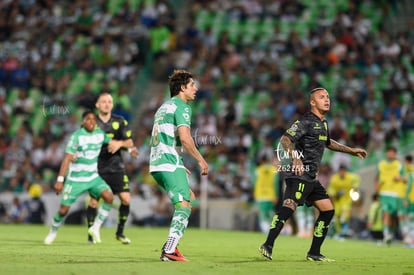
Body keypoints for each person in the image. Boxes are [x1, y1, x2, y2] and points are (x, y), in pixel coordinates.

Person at [259, 87, 367, 262]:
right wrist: (295, 158)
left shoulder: (323, 123)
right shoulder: (305, 121)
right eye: (321, 97)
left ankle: (314, 253)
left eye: (328, 97)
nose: (327, 99)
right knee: (289, 206)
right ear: (312, 102)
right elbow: (285, 139)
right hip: (299, 174)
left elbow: (328, 142)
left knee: (327, 210)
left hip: (312, 178)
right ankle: (268, 244)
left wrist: (351, 151)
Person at [149, 69, 209, 262]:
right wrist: (201, 160)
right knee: (184, 206)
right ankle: (170, 249)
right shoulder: (182, 107)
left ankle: (171, 246)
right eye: (192, 85)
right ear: (183, 88)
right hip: (168, 163)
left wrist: (180, 164)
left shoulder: (164, 107)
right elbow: (184, 138)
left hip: (157, 164)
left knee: (188, 197)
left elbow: (171, 138)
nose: (196, 88)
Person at [44, 110, 121, 245]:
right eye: (88, 119)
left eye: (93, 119)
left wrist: (125, 145)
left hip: (93, 178)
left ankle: (95, 228)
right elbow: (67, 158)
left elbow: (112, 143)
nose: (91, 122)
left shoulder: (99, 134)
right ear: (82, 122)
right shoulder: (77, 136)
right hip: (75, 180)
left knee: (109, 197)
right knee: (63, 210)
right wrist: (60, 180)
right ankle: (53, 231)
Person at [86, 92, 137, 245]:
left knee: (126, 200)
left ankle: (120, 233)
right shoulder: (91, 122)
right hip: (96, 167)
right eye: (103, 101)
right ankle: (91, 234)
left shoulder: (120, 121)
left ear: (112, 105)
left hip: (116, 167)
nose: (107, 104)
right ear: (97, 105)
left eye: (109, 101)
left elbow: (129, 142)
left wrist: (119, 144)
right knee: (94, 201)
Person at [374, 146, 407, 245]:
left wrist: (399, 178)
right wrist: (377, 191)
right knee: (386, 213)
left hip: (396, 194)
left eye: (392, 152)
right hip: (384, 193)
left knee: (396, 215)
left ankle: (396, 234)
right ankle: (386, 235)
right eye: (389, 152)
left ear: (395, 154)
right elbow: (376, 179)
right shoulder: (381, 164)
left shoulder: (399, 165)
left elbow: (406, 179)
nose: (390, 154)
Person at [327, 164, 360, 237]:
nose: (342, 173)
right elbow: (331, 190)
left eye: (343, 171)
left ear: (345, 171)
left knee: (344, 216)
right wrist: (335, 194)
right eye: (341, 171)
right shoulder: (334, 178)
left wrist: (355, 188)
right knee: (337, 217)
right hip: (337, 201)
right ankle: (339, 232)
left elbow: (357, 181)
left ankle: (344, 231)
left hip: (347, 200)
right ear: (339, 171)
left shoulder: (351, 177)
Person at [253, 155, 279, 233]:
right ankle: (273, 231)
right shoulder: (274, 170)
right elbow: (276, 184)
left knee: (263, 216)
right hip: (271, 196)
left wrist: (255, 193)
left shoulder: (258, 170)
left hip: (260, 196)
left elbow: (254, 183)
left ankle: (267, 232)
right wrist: (276, 195)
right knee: (271, 215)